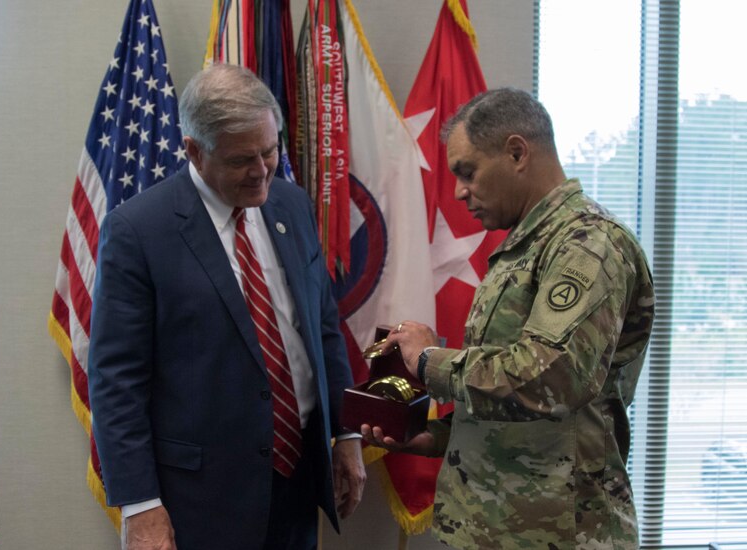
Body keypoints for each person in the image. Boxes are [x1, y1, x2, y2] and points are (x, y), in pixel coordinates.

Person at [361, 88, 655, 549]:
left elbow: (551, 377)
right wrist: (436, 435)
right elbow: (518, 399)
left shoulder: (587, 245)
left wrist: (427, 361)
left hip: (559, 531)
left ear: (517, 152)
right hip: (490, 522)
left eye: (468, 172)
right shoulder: (526, 245)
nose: (459, 191)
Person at [88, 63, 365, 550]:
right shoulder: (138, 230)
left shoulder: (291, 206)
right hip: (200, 499)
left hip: (298, 476)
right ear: (194, 151)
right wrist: (140, 505)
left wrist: (346, 434)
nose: (262, 171)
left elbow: (323, 327)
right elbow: (116, 381)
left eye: (270, 150)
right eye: (242, 159)